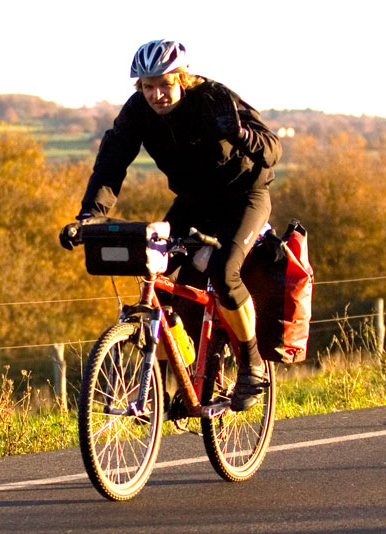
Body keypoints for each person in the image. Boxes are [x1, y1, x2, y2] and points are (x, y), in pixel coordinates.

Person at [61, 39, 282, 411]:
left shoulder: (213, 98)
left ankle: (251, 363)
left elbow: (272, 148)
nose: (157, 94)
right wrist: (89, 216)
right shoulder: (138, 113)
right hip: (193, 203)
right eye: (148, 86)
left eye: (164, 83)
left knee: (224, 273)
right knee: (157, 287)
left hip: (244, 196)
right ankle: (180, 379)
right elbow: (111, 163)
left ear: (182, 78)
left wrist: (240, 134)